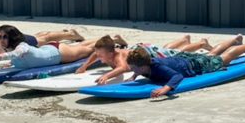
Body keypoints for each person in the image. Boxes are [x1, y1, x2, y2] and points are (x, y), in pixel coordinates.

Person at [126, 34, 245, 98]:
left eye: (133, 69)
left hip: (193, 64)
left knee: (222, 60)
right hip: (182, 58)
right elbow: (140, 67)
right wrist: (134, 75)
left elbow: (177, 76)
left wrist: (165, 88)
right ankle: (235, 40)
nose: (132, 70)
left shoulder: (157, 68)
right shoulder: (144, 65)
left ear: (143, 67)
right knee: (210, 56)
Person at [75, 34, 213, 85]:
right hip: (138, 49)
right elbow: (94, 54)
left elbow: (122, 69)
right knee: (166, 48)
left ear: (110, 54)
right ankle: (184, 39)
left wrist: (107, 75)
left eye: (100, 55)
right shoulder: (105, 52)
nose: (98, 57)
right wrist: (84, 66)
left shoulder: (118, 58)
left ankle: (201, 44)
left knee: (175, 53)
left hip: (148, 53)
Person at [0, 25, 128, 69]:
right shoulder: (15, 50)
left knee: (89, 50)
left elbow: (18, 53)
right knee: (82, 46)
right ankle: (112, 38)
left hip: (58, 54)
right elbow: (18, 57)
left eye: (4, 36)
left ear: (11, 37)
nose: (1, 39)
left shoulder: (21, 46)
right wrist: (10, 63)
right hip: (52, 50)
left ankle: (112, 40)